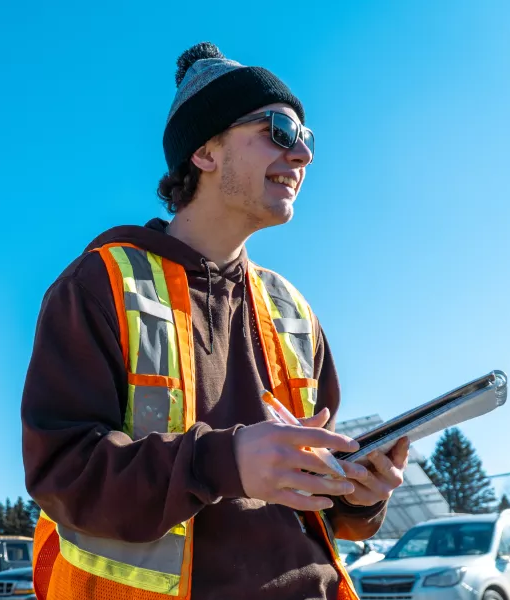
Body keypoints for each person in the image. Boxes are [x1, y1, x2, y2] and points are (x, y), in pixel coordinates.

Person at [20, 41, 410, 600]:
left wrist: (362, 491)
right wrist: (222, 462)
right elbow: (63, 477)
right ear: (205, 152)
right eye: (278, 130)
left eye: (307, 140)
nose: (302, 155)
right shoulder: (99, 286)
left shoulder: (292, 310)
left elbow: (329, 504)